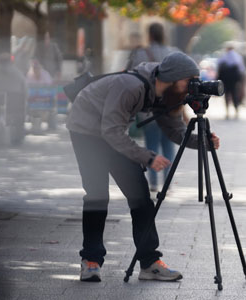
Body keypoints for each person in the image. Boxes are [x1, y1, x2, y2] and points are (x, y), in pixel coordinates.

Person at [66, 52, 220, 282]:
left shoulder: (163, 93)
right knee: (97, 195)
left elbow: (174, 130)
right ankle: (91, 260)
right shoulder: (130, 87)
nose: (192, 86)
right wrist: (147, 157)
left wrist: (203, 142)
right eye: (189, 81)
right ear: (174, 78)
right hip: (86, 130)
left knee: (140, 197)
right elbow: (111, 131)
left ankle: (149, 263)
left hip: (112, 132)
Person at [126, 23, 180, 191]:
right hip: (169, 106)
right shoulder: (172, 52)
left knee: (151, 145)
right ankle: (168, 183)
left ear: (149, 35)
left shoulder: (141, 53)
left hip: (148, 106)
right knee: (168, 144)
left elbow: (130, 75)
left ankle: (154, 182)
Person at [0, 53, 28, 146]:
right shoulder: (18, 74)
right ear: (11, 62)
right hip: (16, 110)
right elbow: (25, 90)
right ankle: (18, 138)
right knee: (20, 111)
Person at [217, 41, 246, 119]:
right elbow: (241, 68)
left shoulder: (224, 56)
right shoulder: (237, 56)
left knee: (227, 94)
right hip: (234, 79)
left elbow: (219, 65)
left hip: (225, 78)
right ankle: (236, 110)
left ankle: (227, 111)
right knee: (234, 94)